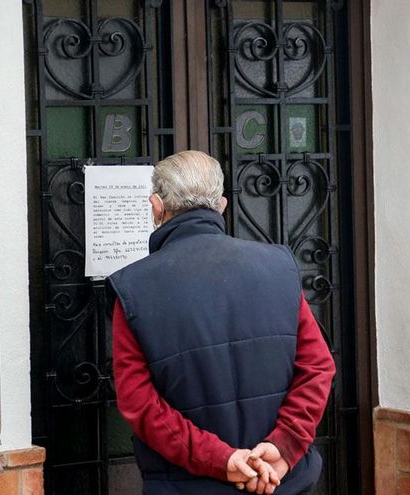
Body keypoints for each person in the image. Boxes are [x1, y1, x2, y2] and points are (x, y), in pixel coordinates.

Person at [109, 150, 336, 494]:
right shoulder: (278, 267)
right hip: (282, 480)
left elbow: (139, 403)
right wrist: (283, 446)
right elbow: (318, 367)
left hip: (185, 485)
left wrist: (221, 459)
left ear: (157, 207)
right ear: (223, 205)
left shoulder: (133, 288)